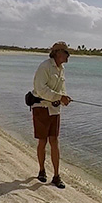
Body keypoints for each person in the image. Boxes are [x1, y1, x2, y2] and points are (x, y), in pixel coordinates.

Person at [31, 41, 72, 188]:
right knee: (43, 142)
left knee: (54, 141)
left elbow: (61, 89)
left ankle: (56, 175)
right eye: (66, 53)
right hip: (41, 108)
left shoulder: (62, 69)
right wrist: (59, 97)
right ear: (58, 53)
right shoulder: (45, 67)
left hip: (54, 110)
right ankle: (42, 171)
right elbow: (41, 90)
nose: (68, 56)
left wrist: (64, 97)